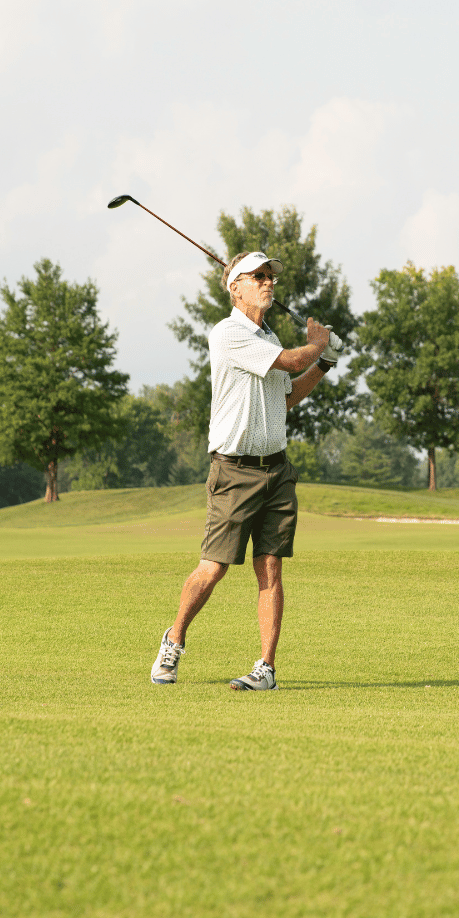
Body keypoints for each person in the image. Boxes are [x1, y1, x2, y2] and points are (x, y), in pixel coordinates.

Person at [150, 250, 339, 691]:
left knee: (270, 568)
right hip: (234, 471)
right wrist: (317, 343)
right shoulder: (229, 333)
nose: (269, 282)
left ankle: (266, 669)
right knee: (214, 567)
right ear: (235, 287)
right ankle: (174, 639)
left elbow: (287, 394)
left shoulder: (270, 339)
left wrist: (325, 363)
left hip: (277, 469)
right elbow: (295, 361)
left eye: (271, 275)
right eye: (258, 276)